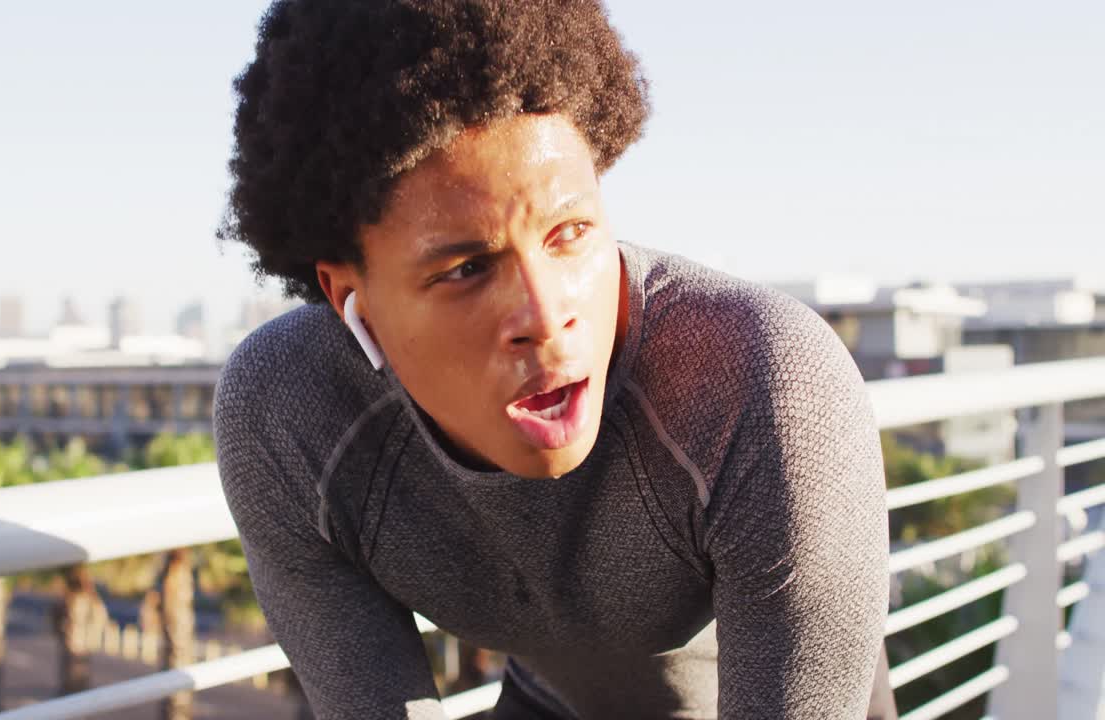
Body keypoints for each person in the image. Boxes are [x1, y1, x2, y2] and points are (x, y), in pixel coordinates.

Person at [213, 1, 899, 718]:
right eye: (467, 269)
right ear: (349, 295)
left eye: (571, 233)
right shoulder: (289, 418)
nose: (545, 318)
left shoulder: (767, 388)